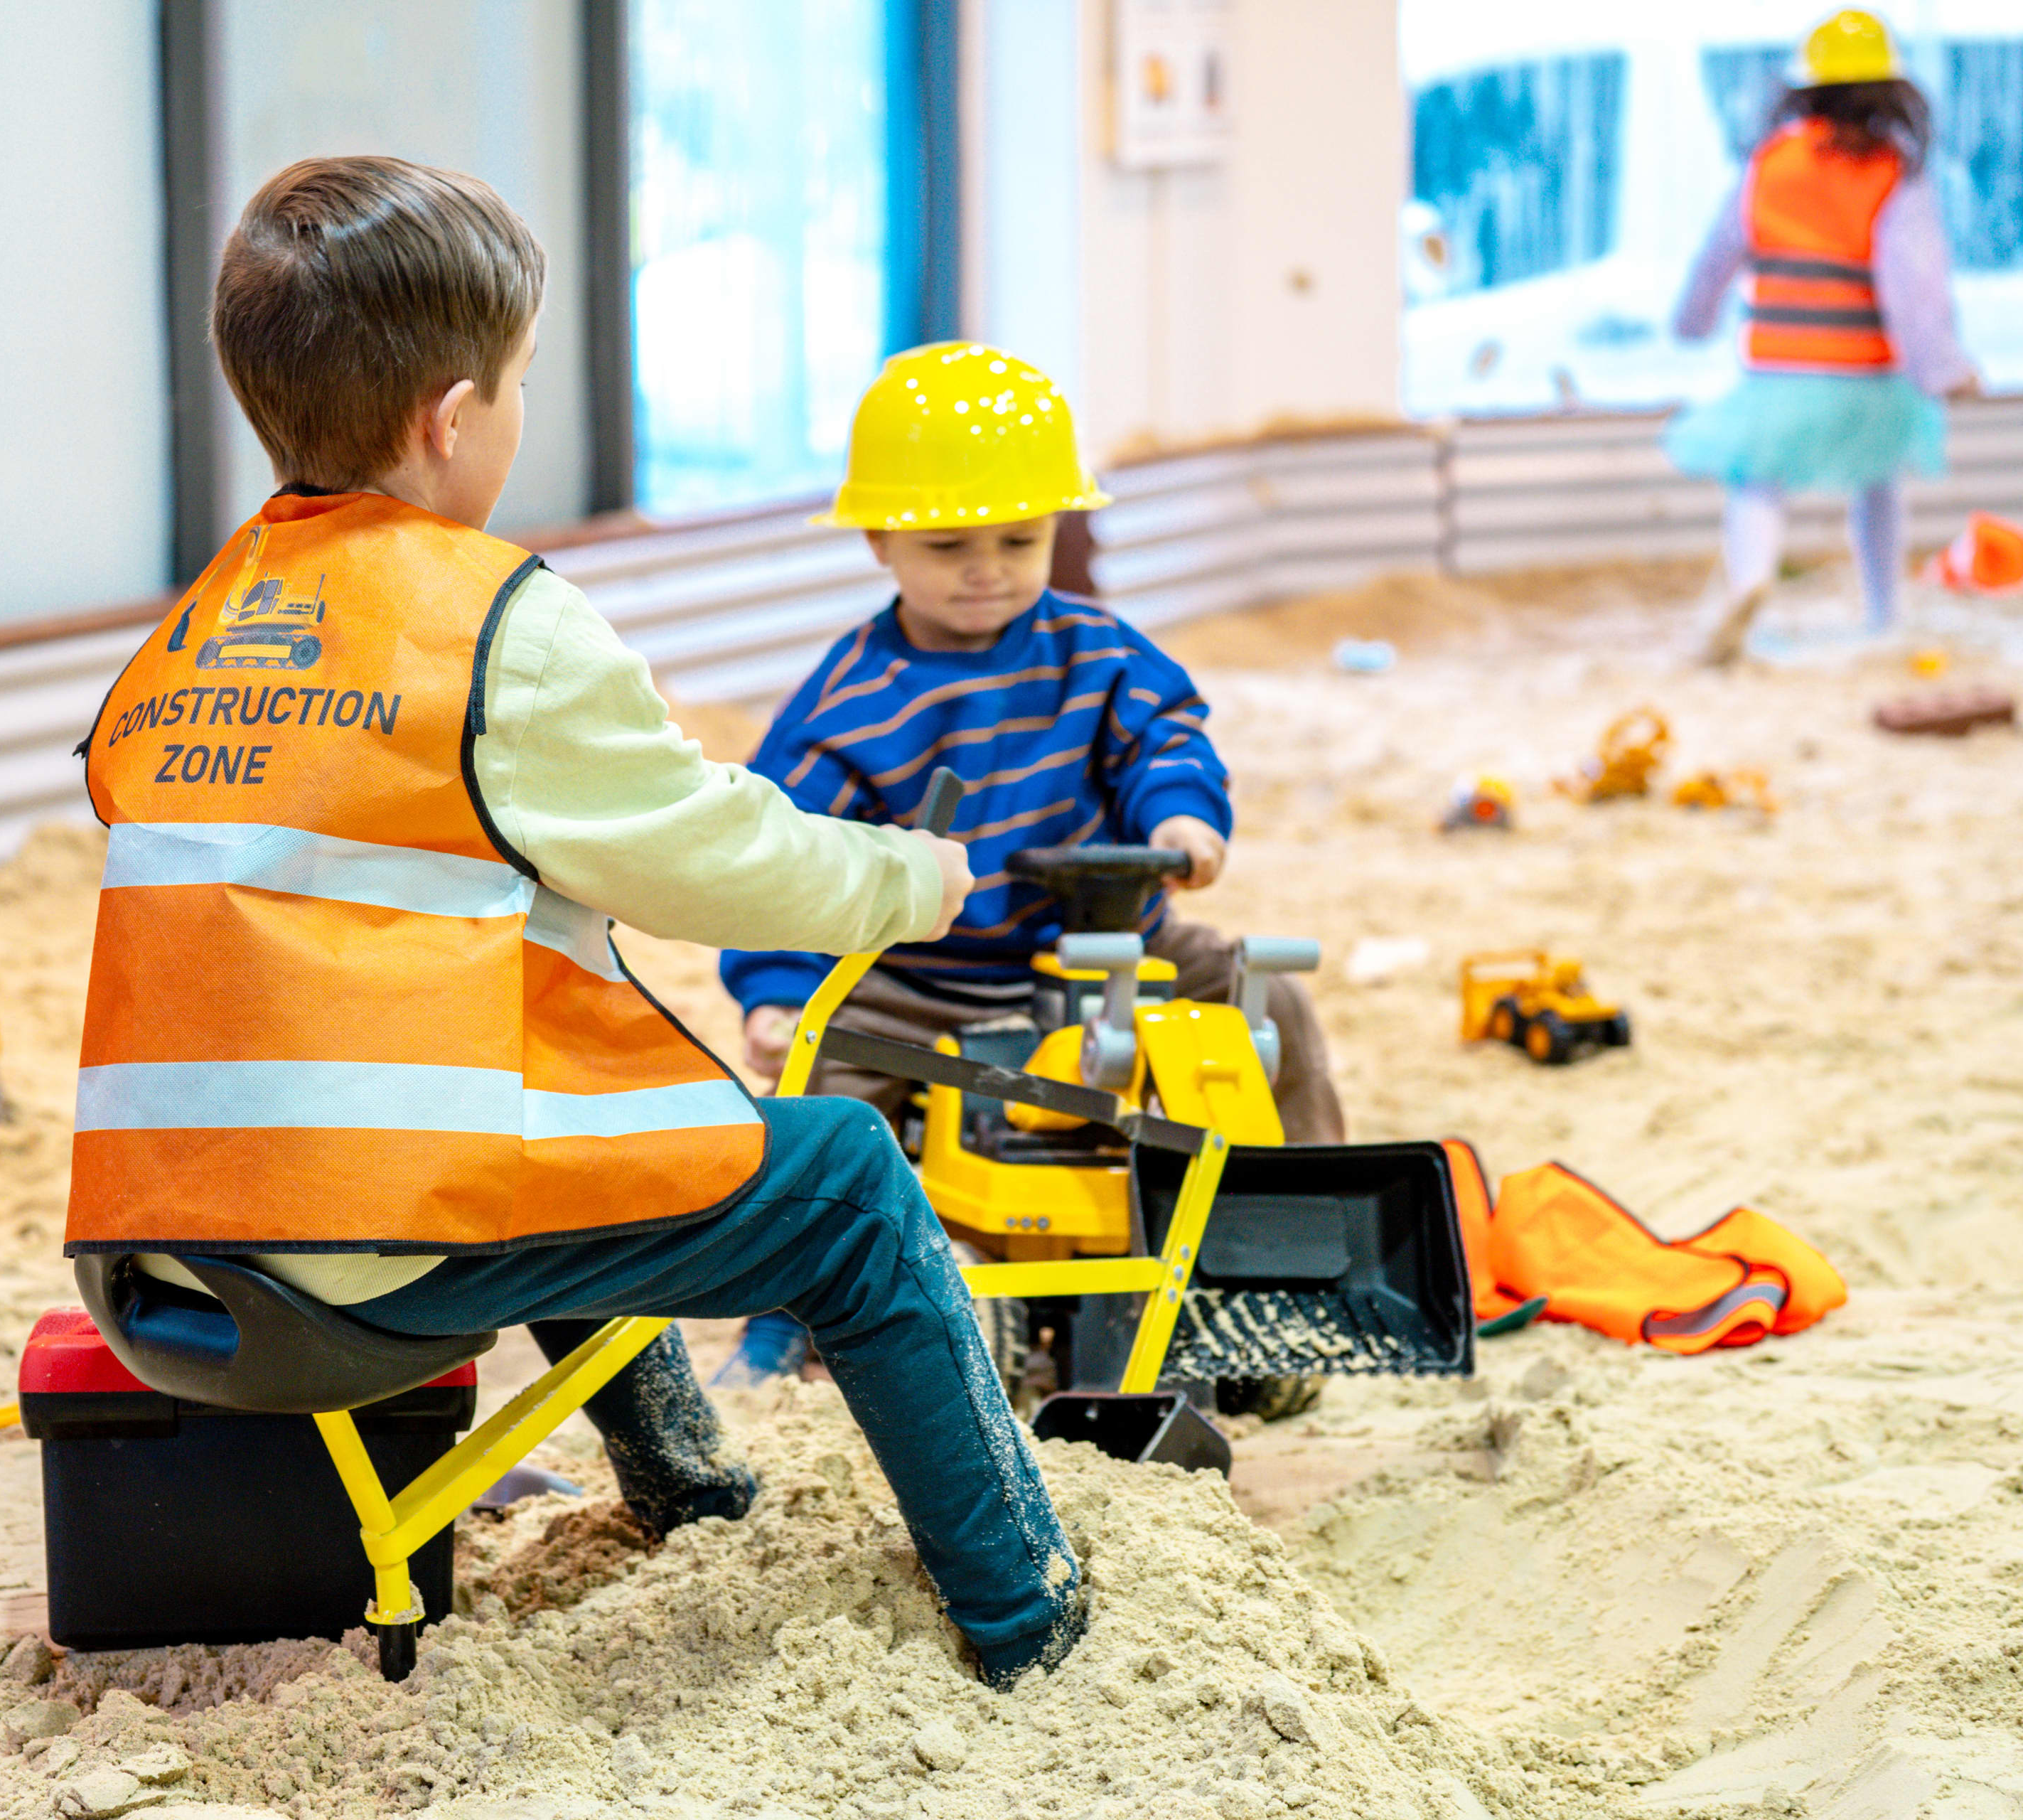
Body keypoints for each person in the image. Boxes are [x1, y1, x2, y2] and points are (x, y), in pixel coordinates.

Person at [65, 156, 1088, 1689]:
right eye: (527, 384)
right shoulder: (495, 623)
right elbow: (708, 854)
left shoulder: (197, 621)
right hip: (362, 1241)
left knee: (581, 1117)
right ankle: (1028, 1609)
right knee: (853, 1184)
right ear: (453, 417)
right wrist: (906, 876)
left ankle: (682, 1477)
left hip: (159, 1247)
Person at [713, 343, 1343, 1389]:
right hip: (919, 980)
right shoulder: (848, 702)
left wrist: (1184, 822)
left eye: (1021, 537)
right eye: (949, 540)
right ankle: (785, 1314)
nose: (986, 567)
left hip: (1110, 955)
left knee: (1262, 1004)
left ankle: (1293, 1254)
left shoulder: (1099, 656)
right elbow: (783, 851)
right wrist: (778, 993)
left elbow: (1165, 739)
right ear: (878, 538)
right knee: (817, 1102)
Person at [1668, 8, 1982, 664]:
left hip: (1782, 369)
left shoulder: (1773, 163)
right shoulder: (1893, 172)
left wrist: (1692, 322)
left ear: (1802, 89)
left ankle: (1747, 594)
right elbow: (1915, 285)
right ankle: (1882, 611)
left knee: (1755, 480)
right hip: (1867, 372)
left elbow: (1719, 251)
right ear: (1893, 92)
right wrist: (1944, 370)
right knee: (1878, 481)